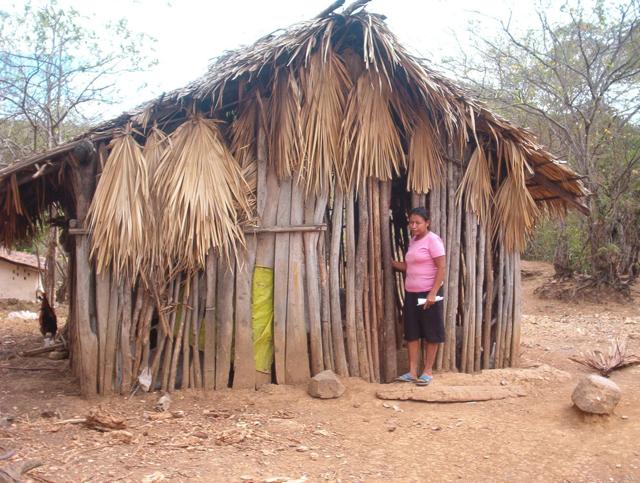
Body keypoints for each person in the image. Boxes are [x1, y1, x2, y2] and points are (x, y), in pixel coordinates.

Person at [391, 207, 446, 386]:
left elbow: (441, 267)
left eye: (417, 223)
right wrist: (391, 263)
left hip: (428, 294)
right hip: (412, 293)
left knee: (431, 331)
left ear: (427, 223)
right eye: (411, 222)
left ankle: (427, 371)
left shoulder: (433, 240)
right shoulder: (413, 241)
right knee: (412, 332)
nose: (413, 226)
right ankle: (412, 371)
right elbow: (410, 266)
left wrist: (433, 292)